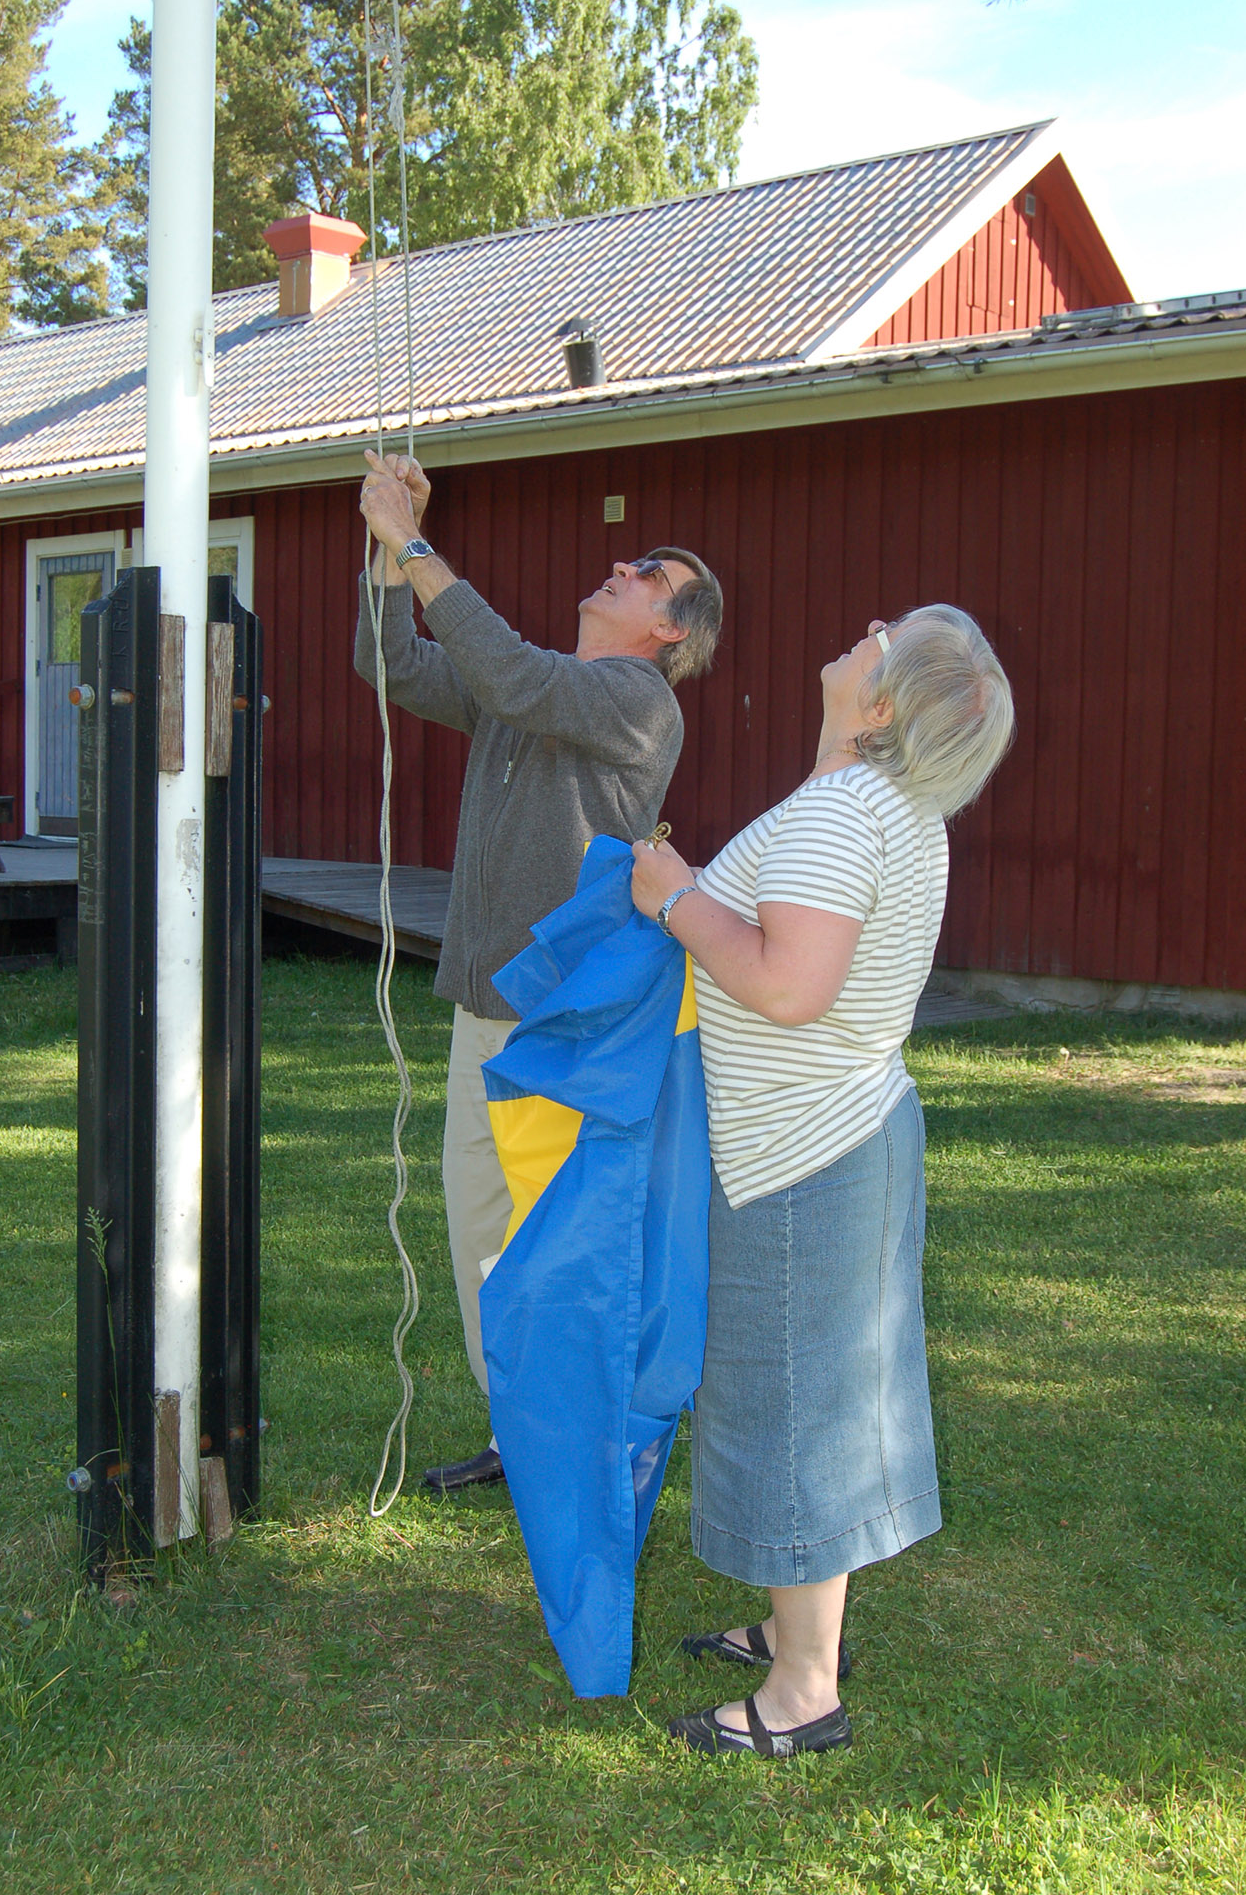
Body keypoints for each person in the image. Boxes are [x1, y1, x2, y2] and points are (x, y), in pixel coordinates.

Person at [629, 603, 1014, 1759]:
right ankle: (801, 1625)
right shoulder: (878, 801)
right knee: (826, 1393)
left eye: (885, 641)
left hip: (803, 1155)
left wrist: (671, 892)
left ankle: (802, 1691)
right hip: (851, 1132)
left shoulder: (851, 812)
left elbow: (788, 984)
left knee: (792, 1403)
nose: (865, 629)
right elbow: (802, 881)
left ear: (884, 703)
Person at [355, 448, 724, 1494]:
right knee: (482, 1239)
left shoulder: (639, 699)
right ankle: (523, 1436)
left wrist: (416, 542)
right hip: (490, 1007)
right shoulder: (534, 696)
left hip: (566, 1024)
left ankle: (587, 1444)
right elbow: (394, 666)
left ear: (668, 632)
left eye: (651, 569)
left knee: (555, 1246)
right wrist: (388, 557)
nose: (624, 560)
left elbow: (511, 670)